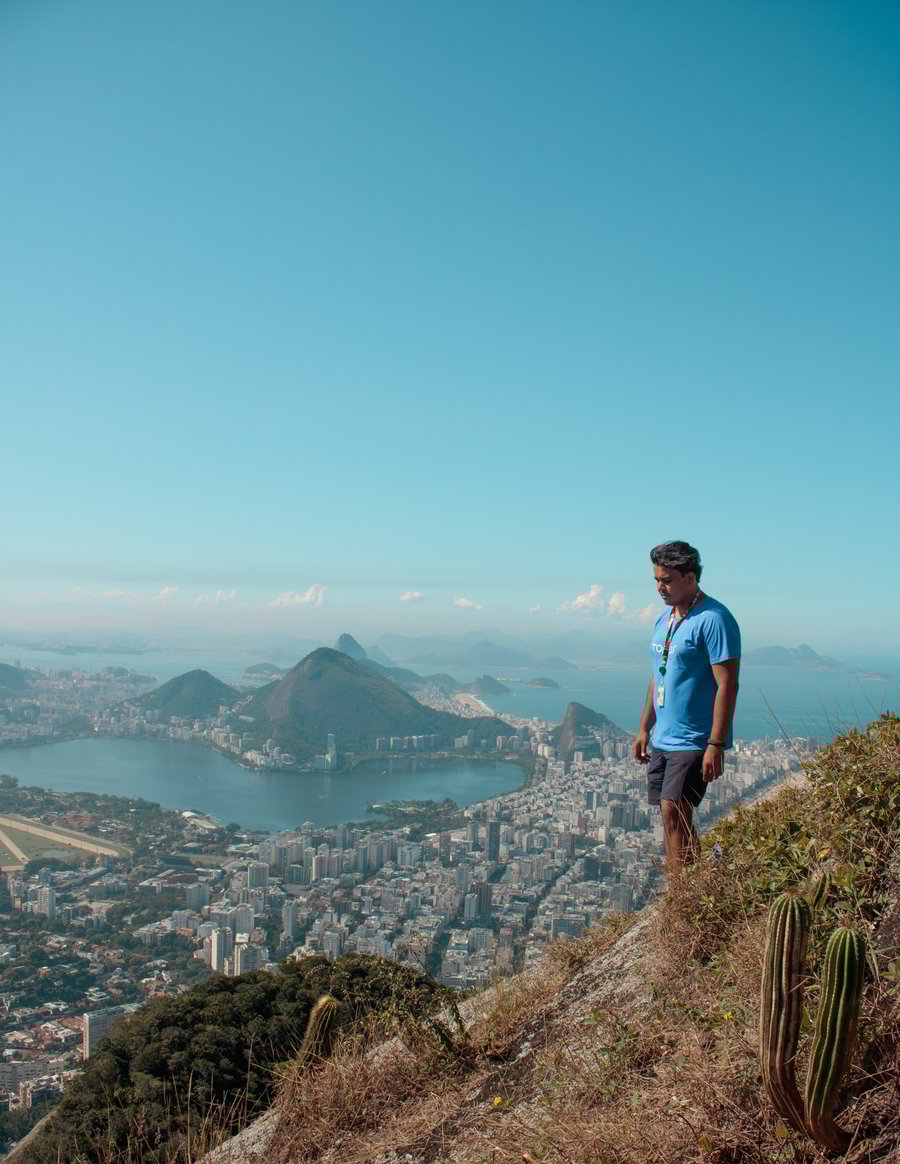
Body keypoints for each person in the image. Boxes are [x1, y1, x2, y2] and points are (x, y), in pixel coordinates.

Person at [632, 541, 741, 881]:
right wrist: (644, 728)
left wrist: (715, 743)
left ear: (690, 578)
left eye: (667, 580)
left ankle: (681, 893)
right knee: (671, 817)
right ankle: (686, 886)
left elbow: (728, 684)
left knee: (675, 812)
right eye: (656, 580)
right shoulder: (664, 618)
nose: (659, 588)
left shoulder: (714, 620)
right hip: (664, 737)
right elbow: (658, 675)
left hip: (694, 738)